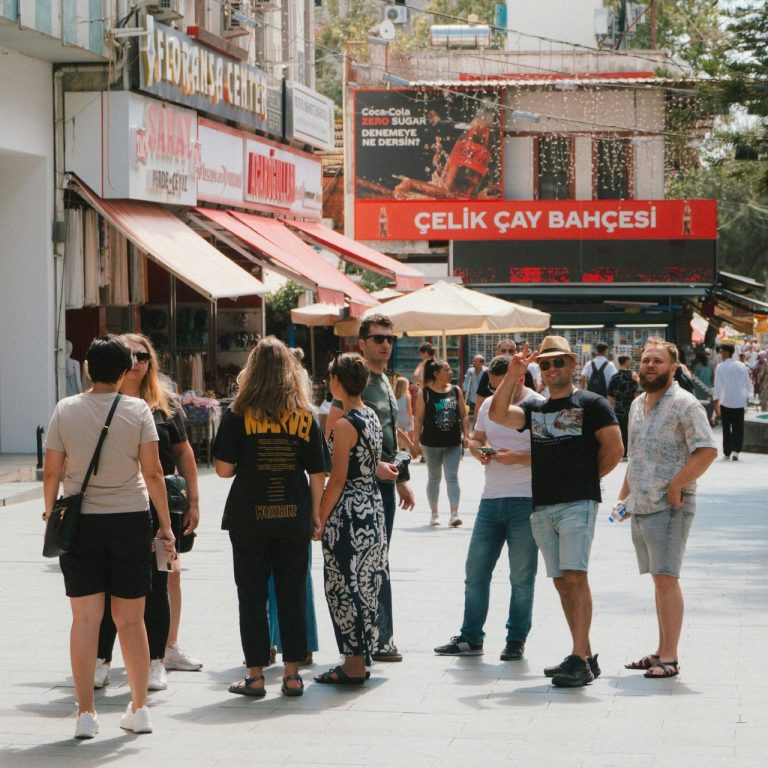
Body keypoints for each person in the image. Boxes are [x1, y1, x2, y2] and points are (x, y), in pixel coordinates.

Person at [43, 335, 175, 738]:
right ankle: (139, 708)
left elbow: (52, 470)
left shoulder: (65, 410)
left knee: (85, 621)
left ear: (87, 368)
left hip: (82, 523)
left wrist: (51, 511)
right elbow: (153, 473)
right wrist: (165, 525)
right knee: (131, 620)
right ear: (123, 372)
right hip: (130, 520)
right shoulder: (138, 410)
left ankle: (85, 713)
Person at [489, 336, 623, 687]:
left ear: (572, 363)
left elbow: (614, 448)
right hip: (543, 505)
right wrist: (514, 373)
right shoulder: (535, 409)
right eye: (544, 364)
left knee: (576, 576)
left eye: (557, 362)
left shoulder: (591, 402)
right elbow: (497, 414)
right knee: (563, 582)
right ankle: (585, 654)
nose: (551, 369)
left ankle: (579, 659)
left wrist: (585, 481)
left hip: (577, 502)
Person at [213, 337, 329, 698]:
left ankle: (256, 674)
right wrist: (315, 515)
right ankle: (293, 675)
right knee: (291, 593)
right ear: (291, 372)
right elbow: (318, 472)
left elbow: (222, 470)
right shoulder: (304, 415)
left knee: (251, 596)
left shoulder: (237, 413)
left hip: (249, 517)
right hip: (293, 514)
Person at [94, 333, 202, 693]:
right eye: (131, 356)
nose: (138, 362)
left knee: (162, 580)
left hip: (157, 506)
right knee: (110, 587)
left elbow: (184, 454)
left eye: (144, 356)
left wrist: (193, 502)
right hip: (117, 504)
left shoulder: (162, 405)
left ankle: (161, 654)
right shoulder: (103, 401)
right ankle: (104, 659)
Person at [615, 338, 717, 678]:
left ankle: (670, 658)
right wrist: (624, 497)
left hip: (670, 506)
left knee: (667, 579)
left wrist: (677, 485)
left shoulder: (686, 404)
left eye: (658, 361)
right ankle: (660, 650)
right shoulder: (636, 404)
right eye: (646, 360)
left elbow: (706, 451)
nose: (650, 366)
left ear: (673, 368)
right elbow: (636, 455)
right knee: (658, 580)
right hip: (641, 506)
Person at [434, 354, 544, 660]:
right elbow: (475, 438)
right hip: (490, 499)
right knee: (476, 570)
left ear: (518, 379)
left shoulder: (537, 405)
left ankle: (515, 639)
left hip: (525, 499)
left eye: (503, 385)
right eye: (494, 386)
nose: (497, 392)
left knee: (521, 576)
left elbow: (552, 455)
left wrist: (518, 457)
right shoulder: (487, 405)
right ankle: (471, 636)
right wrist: (479, 450)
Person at [325, 314, 415, 663]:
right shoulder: (354, 382)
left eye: (390, 339)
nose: (385, 344)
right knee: (366, 567)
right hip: (362, 488)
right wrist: (371, 464)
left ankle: (379, 638)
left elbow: (387, 437)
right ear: (361, 343)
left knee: (377, 564)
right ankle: (374, 641)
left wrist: (402, 479)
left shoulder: (385, 381)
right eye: (378, 338)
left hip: (383, 486)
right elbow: (333, 432)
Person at [314, 354, 389, 685]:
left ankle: (354, 662)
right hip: (372, 507)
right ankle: (362, 655)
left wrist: (319, 518)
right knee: (366, 581)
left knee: (344, 585)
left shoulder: (345, 424)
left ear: (336, 381)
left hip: (348, 514)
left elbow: (338, 479)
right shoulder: (369, 415)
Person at [412, 357, 470, 527]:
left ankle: (454, 514)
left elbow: (464, 415)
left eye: (450, 369)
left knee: (452, 477)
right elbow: (419, 418)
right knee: (434, 477)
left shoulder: (455, 390)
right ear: (436, 373)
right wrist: (415, 442)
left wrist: (466, 435)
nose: (450, 372)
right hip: (431, 443)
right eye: (446, 369)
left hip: (452, 442)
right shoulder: (425, 393)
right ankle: (434, 513)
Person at [712, 342, 752, 460]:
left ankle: (727, 451)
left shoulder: (720, 367)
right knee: (738, 426)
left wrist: (716, 400)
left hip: (726, 400)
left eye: (721, 352)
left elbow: (718, 385)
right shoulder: (742, 366)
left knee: (726, 427)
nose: (720, 354)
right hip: (739, 401)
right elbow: (747, 384)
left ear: (726, 353)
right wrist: (745, 397)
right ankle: (736, 450)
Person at [607, 355, 640, 459]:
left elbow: (610, 395)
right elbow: (637, 392)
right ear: (626, 361)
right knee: (630, 429)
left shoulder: (615, 376)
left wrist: (611, 407)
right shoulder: (633, 375)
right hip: (631, 406)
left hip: (619, 407)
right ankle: (630, 451)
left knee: (621, 430)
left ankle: (622, 452)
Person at [475, 340, 517, 413]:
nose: (507, 354)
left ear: (515, 354)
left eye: (511, 351)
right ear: (497, 354)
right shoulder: (488, 374)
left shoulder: (524, 373)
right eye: (503, 351)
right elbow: (479, 404)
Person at [392, 373, 415, 452]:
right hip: (406, 416)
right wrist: (410, 417)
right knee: (410, 434)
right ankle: (413, 449)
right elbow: (409, 408)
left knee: (400, 435)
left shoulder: (394, 396)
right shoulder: (407, 395)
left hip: (398, 417)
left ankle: (402, 448)